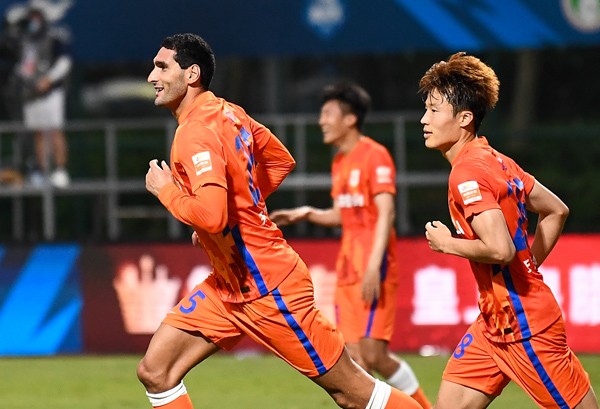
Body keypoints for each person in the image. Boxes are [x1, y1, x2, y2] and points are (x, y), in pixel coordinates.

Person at [141, 33, 422, 409]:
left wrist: (167, 192)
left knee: (354, 393)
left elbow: (211, 214)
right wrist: (230, 216)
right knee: (156, 371)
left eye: (162, 67)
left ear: (192, 75)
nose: (152, 76)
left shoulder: (195, 133)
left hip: (268, 286)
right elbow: (278, 161)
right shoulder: (230, 113)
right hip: (228, 285)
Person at [419, 51, 599, 409]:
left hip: (525, 327)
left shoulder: (467, 173)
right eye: (426, 109)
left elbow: (500, 249)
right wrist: (527, 266)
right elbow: (556, 210)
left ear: (465, 118)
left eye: (434, 110)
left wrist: (447, 244)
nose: (424, 119)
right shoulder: (496, 160)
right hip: (492, 323)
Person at [269, 81, 431, 409]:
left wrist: (373, 266)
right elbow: (343, 213)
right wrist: (307, 213)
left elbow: (386, 211)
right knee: (355, 357)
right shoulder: (340, 162)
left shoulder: (375, 155)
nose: (321, 121)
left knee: (374, 354)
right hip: (347, 271)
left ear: (350, 118)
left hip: (373, 267)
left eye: (328, 114)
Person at [14, 3, 72, 187]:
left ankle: (60, 171)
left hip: (51, 93)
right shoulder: (25, 39)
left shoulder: (54, 36)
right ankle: (42, 171)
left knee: (54, 130)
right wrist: (27, 79)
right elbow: (22, 66)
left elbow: (64, 62)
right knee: (38, 133)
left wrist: (49, 79)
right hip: (31, 93)